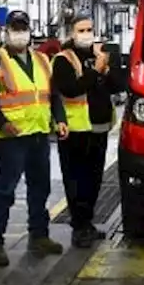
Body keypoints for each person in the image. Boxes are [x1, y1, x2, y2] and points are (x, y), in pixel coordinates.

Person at [0, 10, 69, 266]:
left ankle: (39, 234)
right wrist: (2, 123)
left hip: (39, 133)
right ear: (6, 31)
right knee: (6, 190)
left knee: (40, 187)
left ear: (30, 30)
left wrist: (60, 119)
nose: (19, 33)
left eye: (23, 28)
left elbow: (53, 95)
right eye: (15, 28)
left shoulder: (42, 59)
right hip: (12, 136)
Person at [52, 14, 127, 248]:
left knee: (94, 179)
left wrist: (104, 68)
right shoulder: (63, 60)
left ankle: (88, 223)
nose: (87, 34)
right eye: (82, 30)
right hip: (76, 130)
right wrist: (95, 70)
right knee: (76, 180)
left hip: (99, 128)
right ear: (72, 33)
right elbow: (71, 90)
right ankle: (79, 226)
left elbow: (118, 85)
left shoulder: (102, 55)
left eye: (89, 29)